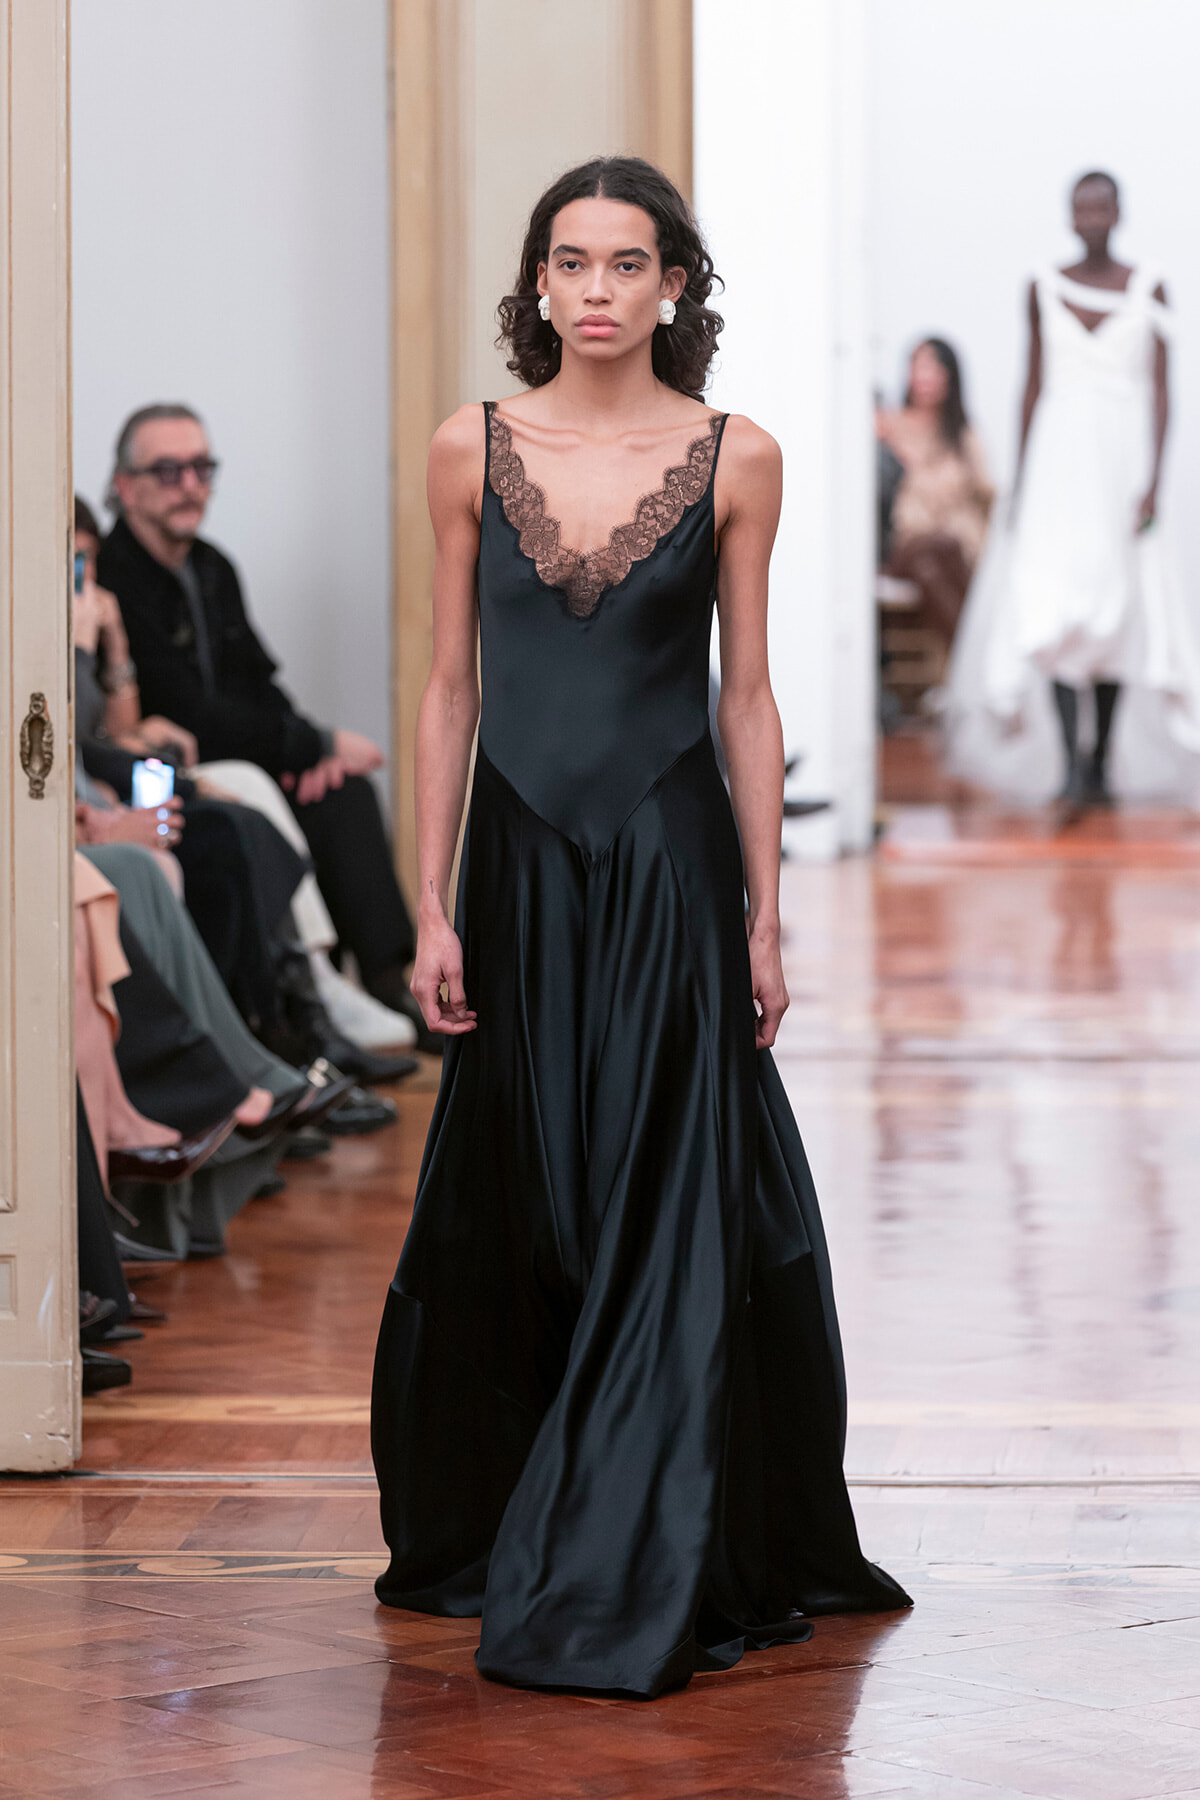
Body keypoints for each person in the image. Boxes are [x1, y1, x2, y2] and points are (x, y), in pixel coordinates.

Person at [370, 156, 910, 1698]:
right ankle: (527, 1500)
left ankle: (634, 1536)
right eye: (571, 262)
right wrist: (427, 901)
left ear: (675, 284)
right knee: (538, 1181)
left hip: (673, 862)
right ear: (538, 285)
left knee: (662, 1188)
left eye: (627, 263)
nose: (597, 289)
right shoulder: (467, 448)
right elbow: (450, 687)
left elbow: (747, 699)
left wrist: (768, 917)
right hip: (520, 866)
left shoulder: (740, 456)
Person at [96, 405, 429, 1042]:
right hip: (174, 765)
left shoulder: (211, 567)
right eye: (168, 471)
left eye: (201, 468)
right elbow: (187, 712)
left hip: (242, 753)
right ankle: (312, 990)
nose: (190, 485)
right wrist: (313, 744)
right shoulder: (116, 577)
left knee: (345, 793)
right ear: (124, 487)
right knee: (260, 789)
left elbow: (259, 683)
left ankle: (389, 983)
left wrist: (312, 752)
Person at [947, 171, 1200, 806]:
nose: (1091, 218)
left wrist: (1154, 482)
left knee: (1118, 612)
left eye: (1102, 206)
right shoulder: (1042, 285)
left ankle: (1102, 761)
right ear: (1069, 215)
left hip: (1122, 466)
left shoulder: (1150, 285)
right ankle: (1068, 762)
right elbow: (1031, 385)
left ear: (1119, 212)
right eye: (1081, 208)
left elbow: (1163, 389)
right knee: (1054, 605)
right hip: (1058, 469)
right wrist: (1022, 477)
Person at [877, 338, 994, 643]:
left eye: (934, 367)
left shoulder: (963, 437)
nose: (925, 375)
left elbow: (986, 496)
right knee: (936, 550)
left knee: (938, 559)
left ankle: (964, 655)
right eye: (919, 365)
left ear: (950, 377)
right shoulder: (888, 427)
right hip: (907, 543)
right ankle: (972, 651)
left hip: (955, 550)